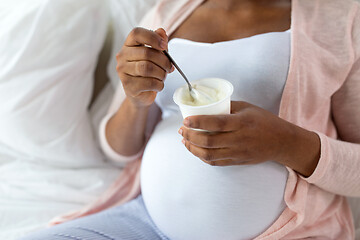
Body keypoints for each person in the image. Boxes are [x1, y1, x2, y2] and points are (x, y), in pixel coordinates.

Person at [23, 0, 360, 239]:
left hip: (287, 232)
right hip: (146, 223)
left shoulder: (339, 18)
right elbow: (118, 149)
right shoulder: (168, 11)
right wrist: (135, 100)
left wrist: (287, 143)